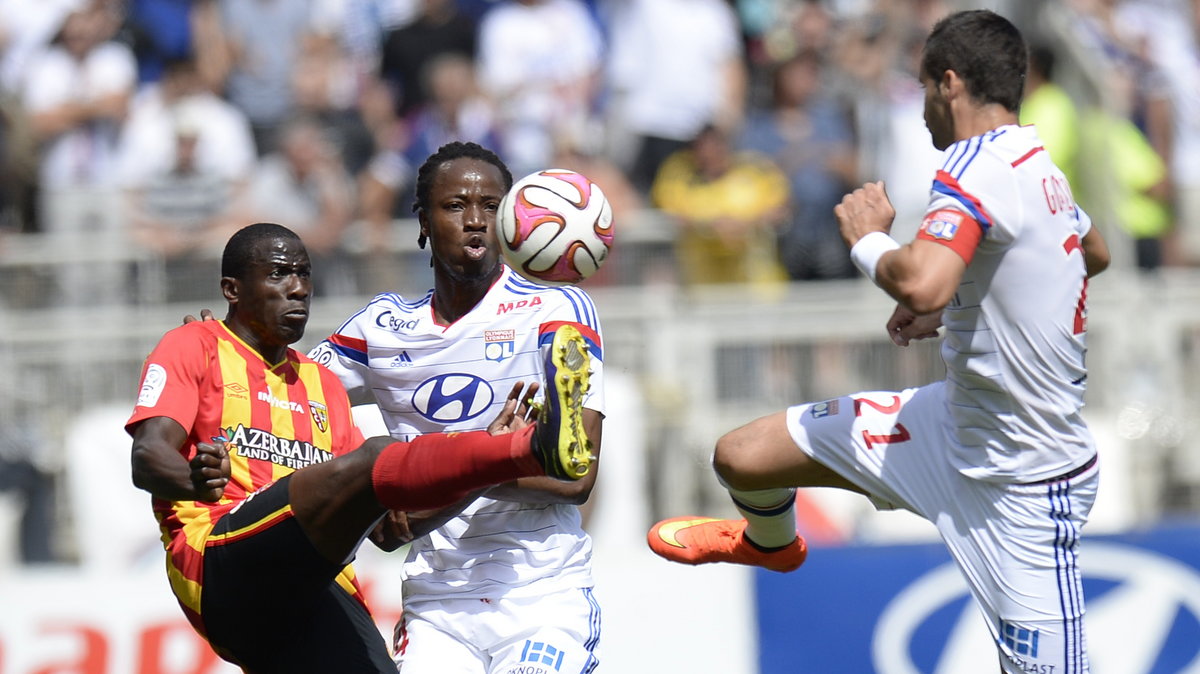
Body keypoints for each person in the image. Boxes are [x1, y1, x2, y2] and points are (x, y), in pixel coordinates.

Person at [647, 10, 1111, 674]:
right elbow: (1091, 253)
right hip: (948, 427)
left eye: (922, 87)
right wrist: (966, 302)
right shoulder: (1041, 167)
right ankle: (772, 543)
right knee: (742, 456)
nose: (922, 108)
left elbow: (919, 284)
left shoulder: (977, 166)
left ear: (948, 83)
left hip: (1025, 483)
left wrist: (868, 237)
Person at [126, 222, 595, 673]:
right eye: (278, 274)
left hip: (312, 586)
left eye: (304, 274)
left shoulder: (323, 385)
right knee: (375, 456)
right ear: (233, 289)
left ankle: (502, 455)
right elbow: (148, 456)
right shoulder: (194, 344)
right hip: (222, 562)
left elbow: (392, 531)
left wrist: (480, 475)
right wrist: (194, 479)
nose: (298, 288)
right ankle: (531, 446)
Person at [307, 141, 606, 673]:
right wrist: (223, 350)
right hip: (437, 605)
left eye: (490, 207)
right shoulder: (381, 327)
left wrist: (467, 468)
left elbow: (577, 476)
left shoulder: (557, 310)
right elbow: (286, 393)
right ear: (422, 222)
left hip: (541, 597)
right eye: (454, 206)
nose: (474, 221)